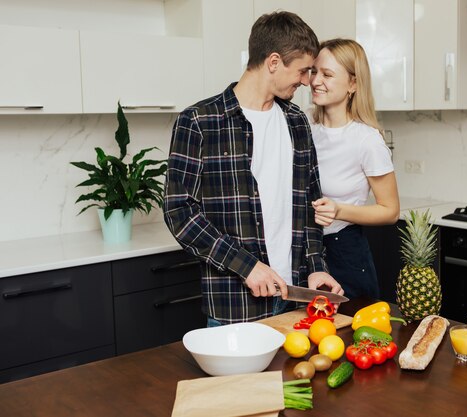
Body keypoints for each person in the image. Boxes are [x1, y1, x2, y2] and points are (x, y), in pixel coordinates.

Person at [163, 11, 344, 326]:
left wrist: (316, 266)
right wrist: (246, 265)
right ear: (273, 62)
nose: (307, 81)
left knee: (294, 377)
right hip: (235, 308)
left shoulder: (296, 121)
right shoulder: (199, 122)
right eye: (302, 71)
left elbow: (310, 203)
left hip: (294, 301)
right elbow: (179, 212)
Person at [309, 38, 400, 299]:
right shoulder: (304, 127)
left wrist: (339, 210)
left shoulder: (367, 140)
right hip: (304, 254)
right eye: (314, 71)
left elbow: (390, 210)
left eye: (327, 74)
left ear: (353, 84)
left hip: (344, 252)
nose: (315, 80)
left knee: (352, 335)